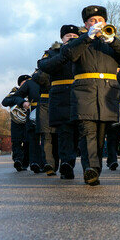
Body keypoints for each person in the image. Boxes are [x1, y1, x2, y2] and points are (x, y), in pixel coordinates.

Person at [63, 5, 120, 186]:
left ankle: (95, 169)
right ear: (86, 24)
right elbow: (68, 54)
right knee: (87, 133)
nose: (97, 23)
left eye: (100, 20)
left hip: (107, 94)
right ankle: (91, 168)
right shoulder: (79, 42)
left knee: (101, 135)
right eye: (92, 21)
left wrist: (113, 40)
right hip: (84, 92)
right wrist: (88, 37)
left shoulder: (111, 43)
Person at [37, 25, 80, 179]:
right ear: (62, 38)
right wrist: (65, 54)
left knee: (76, 134)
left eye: (75, 36)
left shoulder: (84, 51)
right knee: (64, 133)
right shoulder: (52, 53)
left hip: (80, 96)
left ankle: (70, 161)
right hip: (61, 97)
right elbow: (44, 67)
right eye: (68, 35)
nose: (72, 38)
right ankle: (66, 164)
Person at [2, 74, 32, 171]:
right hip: (16, 121)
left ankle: (25, 163)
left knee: (28, 142)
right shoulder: (15, 91)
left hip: (29, 120)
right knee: (16, 141)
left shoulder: (31, 91)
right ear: (20, 84)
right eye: (25, 82)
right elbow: (5, 101)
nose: (27, 84)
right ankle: (17, 160)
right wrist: (19, 101)